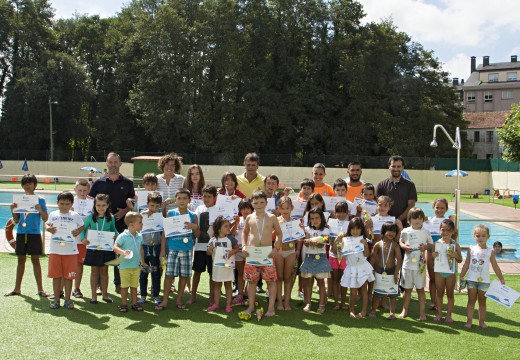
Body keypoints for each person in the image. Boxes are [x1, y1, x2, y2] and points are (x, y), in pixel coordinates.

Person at [89, 152, 135, 293]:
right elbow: (90, 203)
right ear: (107, 164)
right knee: (100, 253)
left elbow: (133, 203)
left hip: (121, 224)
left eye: (116, 162)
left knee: (119, 254)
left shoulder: (128, 183)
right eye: (110, 162)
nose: (113, 165)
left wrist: (124, 210)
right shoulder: (98, 183)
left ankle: (118, 283)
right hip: (102, 225)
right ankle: (98, 286)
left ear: (120, 164)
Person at [5, 174, 49, 297]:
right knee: (20, 260)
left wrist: (40, 210)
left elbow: (45, 219)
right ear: (22, 186)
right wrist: (12, 210)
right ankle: (17, 288)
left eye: (30, 183)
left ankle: (41, 289)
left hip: (34, 234)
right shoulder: (20, 200)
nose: (27, 186)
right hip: (21, 232)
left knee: (35, 260)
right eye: (25, 183)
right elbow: (17, 220)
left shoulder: (40, 200)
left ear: (35, 185)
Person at [240, 190, 282, 318]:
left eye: (262, 202)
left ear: (266, 203)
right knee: (251, 282)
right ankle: (251, 306)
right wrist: (243, 246)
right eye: (256, 202)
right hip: (252, 254)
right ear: (252, 203)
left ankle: (271, 308)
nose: (259, 205)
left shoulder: (272, 217)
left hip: (267, 254)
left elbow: (280, 234)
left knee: (270, 281)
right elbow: (245, 233)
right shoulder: (249, 217)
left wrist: (276, 248)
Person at [156, 189, 200, 310]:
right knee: (169, 275)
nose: (182, 201)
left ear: (189, 200)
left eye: (184, 198)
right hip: (172, 249)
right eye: (179, 198)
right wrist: (163, 249)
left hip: (186, 250)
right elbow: (165, 232)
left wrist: (195, 227)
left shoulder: (193, 215)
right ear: (175, 200)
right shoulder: (171, 213)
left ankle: (179, 299)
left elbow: (197, 234)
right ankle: (165, 300)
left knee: (184, 276)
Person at [460, 224, 505, 329]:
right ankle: (469, 321)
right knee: (471, 301)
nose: (480, 238)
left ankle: (481, 321)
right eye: (478, 235)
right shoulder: (471, 249)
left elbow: (495, 266)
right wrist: (461, 275)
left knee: (482, 302)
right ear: (474, 236)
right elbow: (466, 264)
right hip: (471, 280)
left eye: (483, 235)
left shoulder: (490, 251)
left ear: (488, 236)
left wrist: (501, 278)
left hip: (484, 281)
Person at [45, 191, 84, 309]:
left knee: (69, 276)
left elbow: (82, 226)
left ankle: (67, 299)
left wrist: (78, 231)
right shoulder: (53, 214)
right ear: (57, 203)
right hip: (55, 251)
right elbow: (46, 224)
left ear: (72, 204)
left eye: (67, 204)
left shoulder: (75, 215)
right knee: (56, 276)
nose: (64, 206)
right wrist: (48, 228)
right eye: (62, 203)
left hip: (70, 252)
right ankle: (56, 299)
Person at [82, 194, 118, 303]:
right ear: (94, 205)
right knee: (94, 271)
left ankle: (105, 295)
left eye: (103, 205)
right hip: (93, 248)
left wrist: (117, 235)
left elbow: (114, 229)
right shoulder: (90, 217)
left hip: (106, 248)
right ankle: (93, 296)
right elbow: (83, 230)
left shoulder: (110, 218)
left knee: (104, 271)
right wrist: (83, 239)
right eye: (98, 205)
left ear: (107, 206)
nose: (100, 208)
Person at [398, 208, 433, 320]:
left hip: (420, 265)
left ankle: (422, 313)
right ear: (409, 219)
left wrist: (425, 247)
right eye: (414, 218)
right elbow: (400, 241)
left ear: (423, 219)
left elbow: (431, 244)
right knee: (407, 289)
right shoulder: (405, 231)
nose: (417, 220)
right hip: (407, 265)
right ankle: (405, 310)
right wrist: (403, 246)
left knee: (420, 290)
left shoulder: (426, 232)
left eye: (420, 218)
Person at [339, 217, 374, 318]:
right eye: (353, 229)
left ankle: (363, 311)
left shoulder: (363, 240)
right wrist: (340, 245)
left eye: (358, 229)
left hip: (362, 267)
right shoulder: (346, 240)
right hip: (351, 268)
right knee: (353, 290)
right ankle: (352, 310)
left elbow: (367, 255)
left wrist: (366, 246)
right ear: (349, 229)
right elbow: (341, 255)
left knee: (363, 290)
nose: (355, 231)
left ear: (361, 229)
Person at [275, 196, 303, 311]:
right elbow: (272, 236)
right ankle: (279, 303)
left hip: (291, 251)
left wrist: (297, 250)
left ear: (291, 208)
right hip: (279, 251)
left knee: (288, 277)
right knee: (279, 277)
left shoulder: (296, 222)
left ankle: (286, 302)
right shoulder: (276, 220)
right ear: (279, 209)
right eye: (283, 208)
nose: (285, 210)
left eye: (287, 208)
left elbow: (300, 238)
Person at [431, 219, 462, 324]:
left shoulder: (455, 245)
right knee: (439, 294)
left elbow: (460, 260)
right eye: (442, 230)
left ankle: (449, 315)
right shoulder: (437, 243)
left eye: (448, 230)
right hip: (439, 272)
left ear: (452, 231)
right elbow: (433, 257)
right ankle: (439, 314)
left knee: (450, 294)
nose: (445, 232)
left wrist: (455, 255)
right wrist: (433, 255)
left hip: (450, 273)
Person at [369, 222, 402, 319]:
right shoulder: (378, 244)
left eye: (394, 231)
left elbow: (399, 259)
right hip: (379, 271)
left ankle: (392, 313)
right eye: (389, 231)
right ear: (383, 232)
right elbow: (373, 258)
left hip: (392, 271)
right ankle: (373, 310)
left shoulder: (395, 245)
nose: (392, 233)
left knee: (392, 294)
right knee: (377, 293)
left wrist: (396, 272)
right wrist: (371, 270)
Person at [190, 185, 217, 306]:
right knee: (197, 272)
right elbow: (195, 225)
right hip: (199, 246)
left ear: (214, 197)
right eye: (204, 196)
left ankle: (211, 297)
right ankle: (193, 295)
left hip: (213, 248)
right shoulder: (199, 208)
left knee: (212, 273)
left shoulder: (219, 209)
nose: (206, 199)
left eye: (209, 197)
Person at [207, 216, 240, 313]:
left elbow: (237, 248)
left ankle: (228, 305)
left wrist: (231, 252)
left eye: (229, 226)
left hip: (228, 266)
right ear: (219, 228)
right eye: (226, 226)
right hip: (217, 267)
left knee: (228, 285)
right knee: (217, 285)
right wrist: (209, 249)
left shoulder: (231, 239)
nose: (228, 228)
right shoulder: (213, 239)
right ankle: (216, 304)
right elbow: (208, 253)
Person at [113, 212, 145, 312]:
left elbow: (141, 250)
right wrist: (123, 252)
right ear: (131, 225)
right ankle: (123, 304)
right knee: (124, 286)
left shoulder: (140, 236)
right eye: (140, 222)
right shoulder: (122, 236)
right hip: (124, 267)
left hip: (136, 266)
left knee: (134, 286)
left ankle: (134, 304)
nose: (142, 224)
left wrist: (142, 262)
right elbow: (115, 248)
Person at [301, 208, 331, 313]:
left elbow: (322, 243)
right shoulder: (308, 229)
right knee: (308, 282)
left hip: (321, 257)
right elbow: (305, 242)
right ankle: (308, 303)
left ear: (322, 218)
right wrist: (307, 240)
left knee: (321, 282)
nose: (315, 220)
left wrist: (315, 242)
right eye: (312, 218)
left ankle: (322, 304)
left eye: (317, 218)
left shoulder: (326, 230)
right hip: (309, 257)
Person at [137, 191, 163, 306]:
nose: (154, 208)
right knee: (143, 272)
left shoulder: (160, 216)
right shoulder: (141, 215)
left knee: (155, 273)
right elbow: (137, 232)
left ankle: (156, 295)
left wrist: (162, 250)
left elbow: (164, 234)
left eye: (157, 206)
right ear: (147, 204)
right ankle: (143, 296)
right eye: (152, 205)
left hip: (156, 247)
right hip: (144, 247)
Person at [376, 155, 417, 227]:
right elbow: (377, 205)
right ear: (389, 167)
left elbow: (411, 205)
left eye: (398, 166)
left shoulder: (410, 185)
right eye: (393, 166)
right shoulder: (381, 185)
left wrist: (398, 220)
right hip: (385, 225)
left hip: (404, 225)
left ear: (402, 167)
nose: (396, 169)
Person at [423, 198, 449, 311]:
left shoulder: (449, 222)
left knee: (442, 279)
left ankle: (440, 302)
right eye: (437, 207)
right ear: (433, 208)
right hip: (430, 253)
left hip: (444, 255)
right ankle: (433, 302)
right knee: (433, 279)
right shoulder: (427, 221)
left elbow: (453, 238)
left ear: (446, 209)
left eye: (442, 208)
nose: (439, 210)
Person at [71, 179, 92, 298]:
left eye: (85, 190)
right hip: (70, 238)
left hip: (84, 239)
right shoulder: (70, 202)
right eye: (79, 190)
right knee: (67, 263)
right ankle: (61, 289)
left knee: (79, 264)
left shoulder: (93, 203)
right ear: (75, 190)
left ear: (89, 190)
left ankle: (76, 288)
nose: (82, 193)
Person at [231, 199, 254, 305]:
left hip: (250, 250)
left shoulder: (254, 219)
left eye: (247, 208)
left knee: (249, 273)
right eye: (243, 208)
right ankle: (240, 294)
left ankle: (248, 293)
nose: (245, 211)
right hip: (239, 250)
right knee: (240, 273)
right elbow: (231, 234)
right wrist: (235, 223)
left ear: (251, 209)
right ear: (240, 210)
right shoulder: (237, 219)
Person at [328, 202, 349, 310]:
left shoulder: (349, 225)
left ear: (347, 213)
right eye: (338, 212)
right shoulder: (330, 223)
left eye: (343, 212)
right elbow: (329, 240)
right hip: (333, 255)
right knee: (335, 279)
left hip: (345, 256)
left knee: (344, 280)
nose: (341, 214)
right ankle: (336, 303)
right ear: (335, 213)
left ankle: (344, 303)